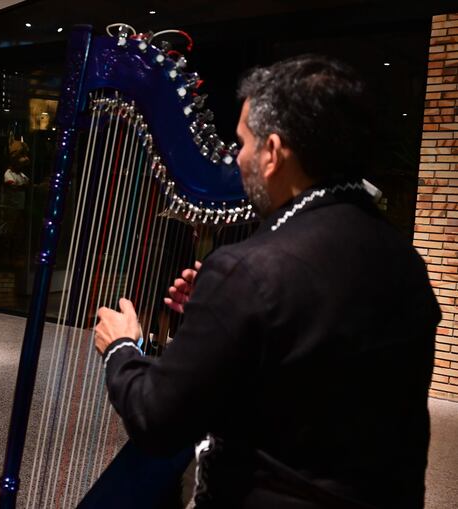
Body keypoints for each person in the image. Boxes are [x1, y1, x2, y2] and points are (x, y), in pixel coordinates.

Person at [93, 55, 441, 508]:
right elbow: (317, 371)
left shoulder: (249, 269)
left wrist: (122, 348)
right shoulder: (404, 259)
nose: (236, 159)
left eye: (242, 143)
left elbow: (156, 421)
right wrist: (222, 316)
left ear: (273, 153)